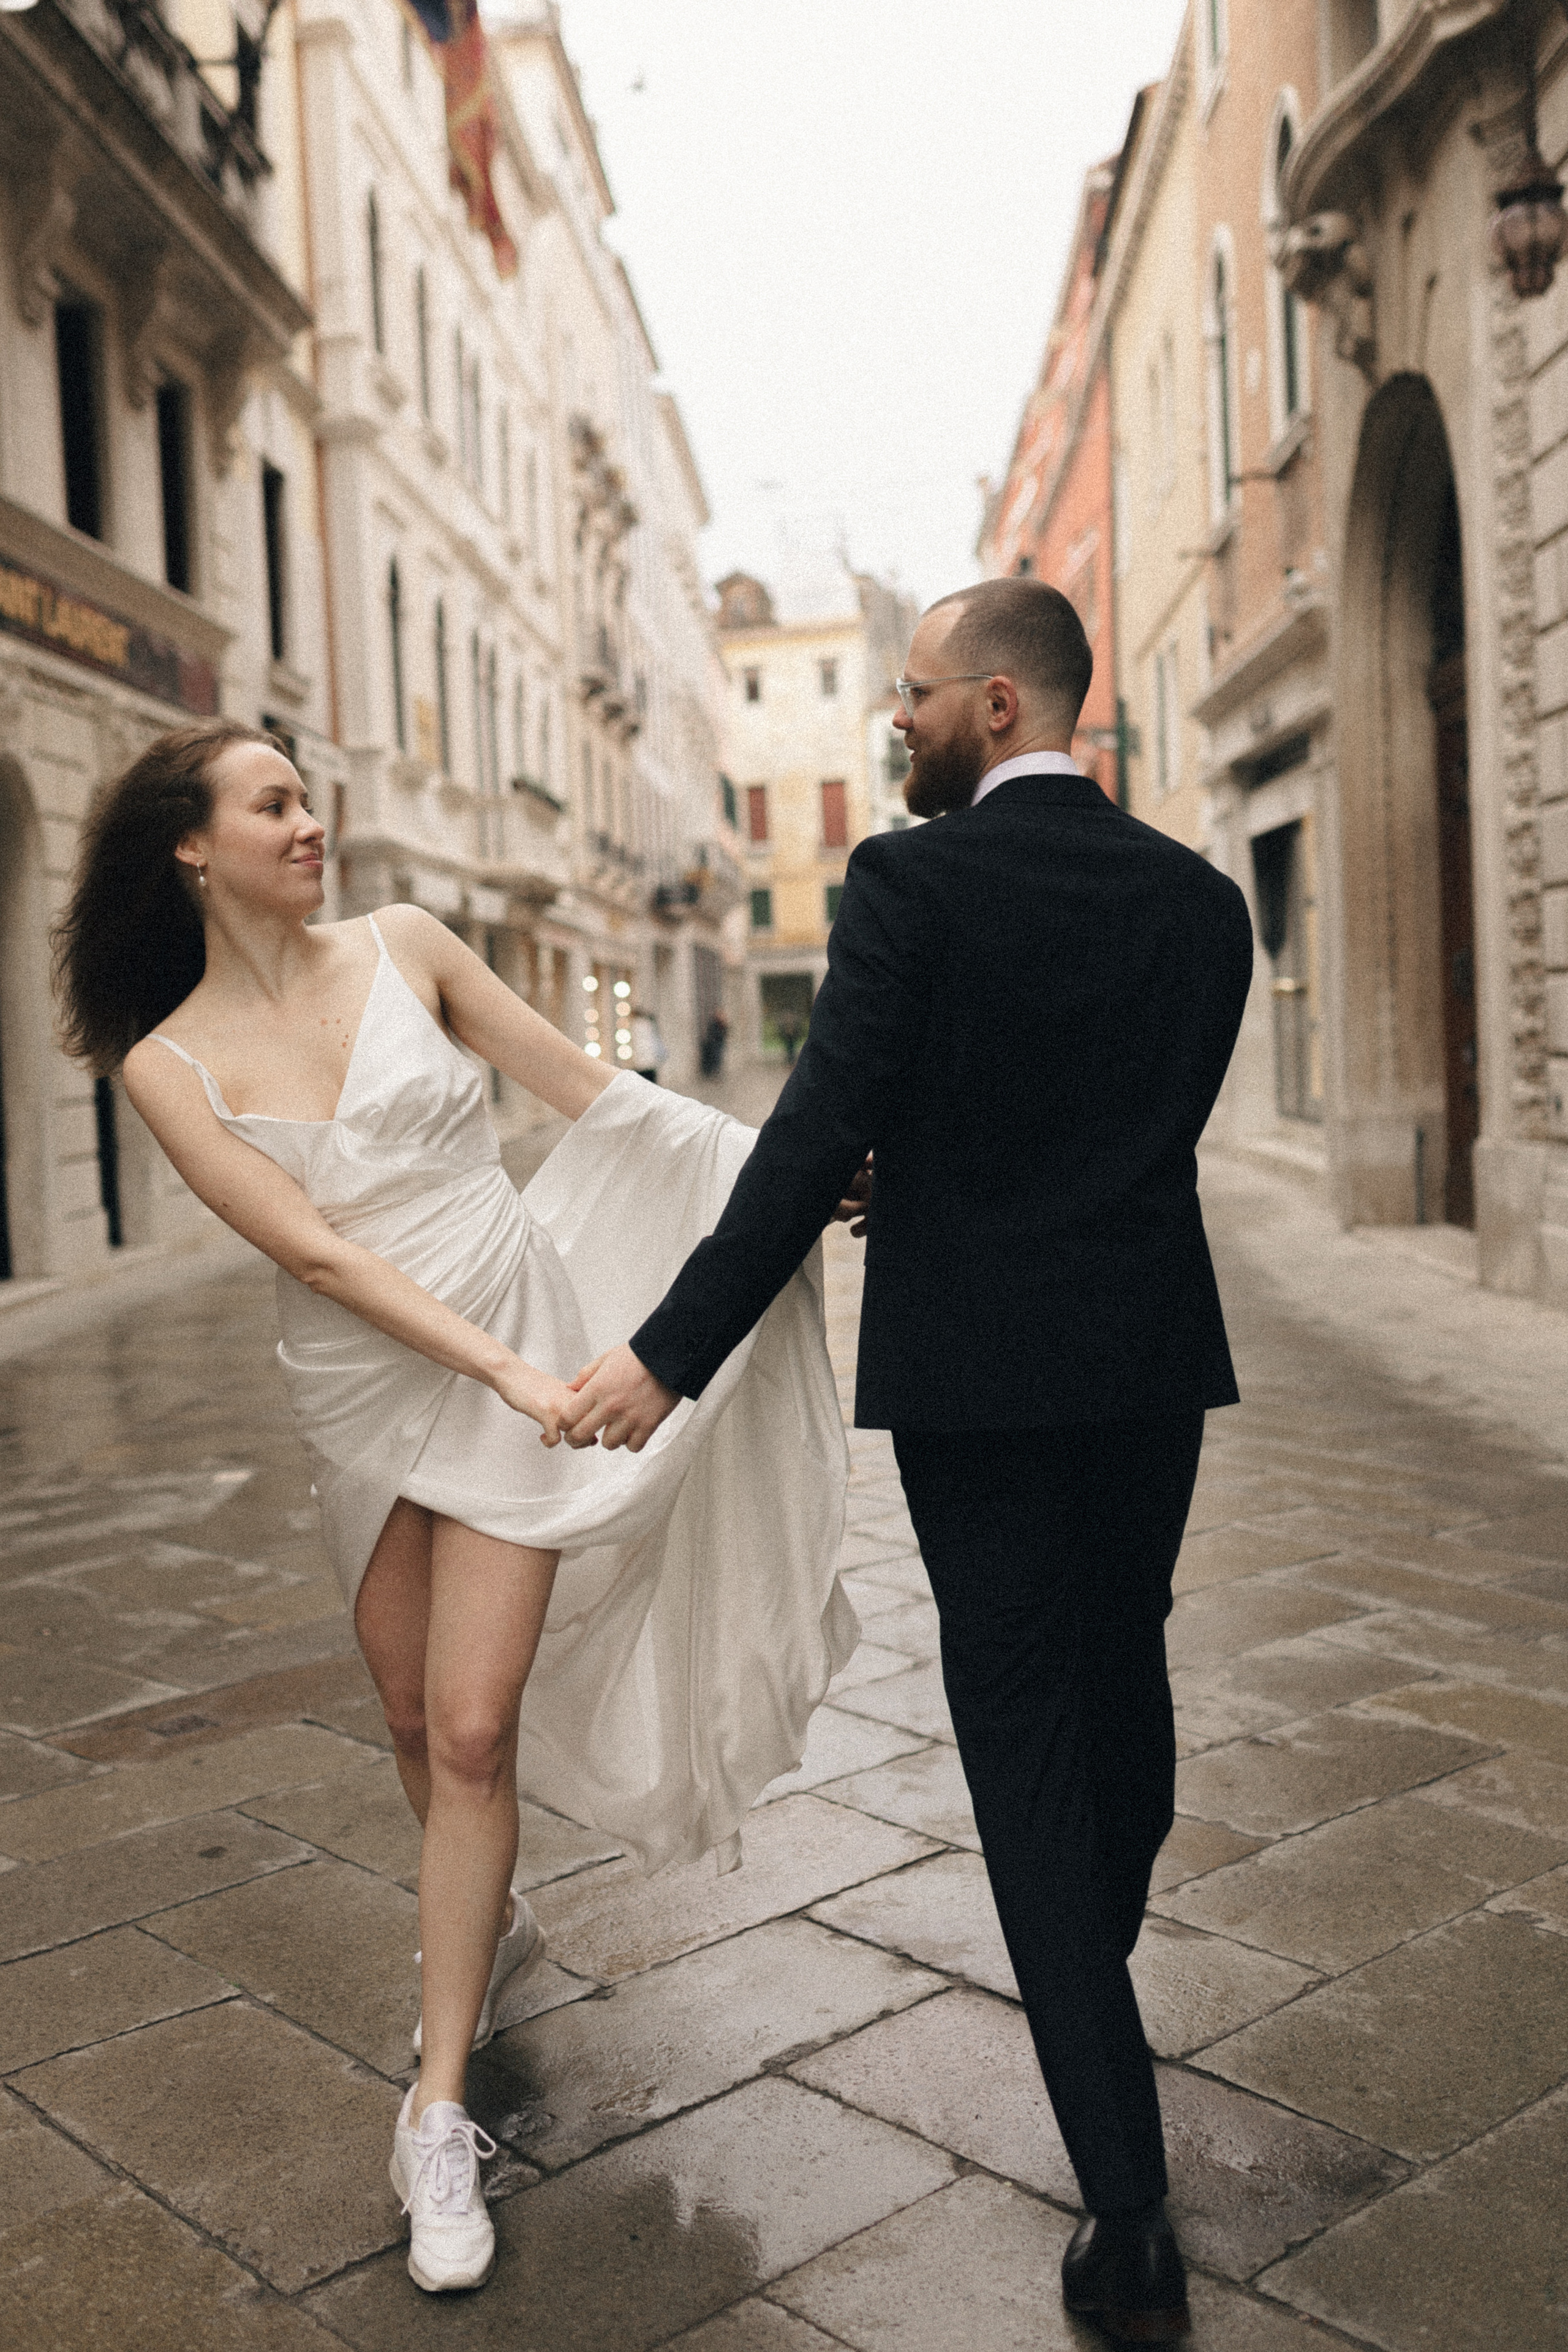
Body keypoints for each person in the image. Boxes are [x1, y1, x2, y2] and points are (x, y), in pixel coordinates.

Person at [51, 721, 854, 2301]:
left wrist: (782, 1173)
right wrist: (488, 1365)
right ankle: (487, 1924)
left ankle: (432, 2110)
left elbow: (589, 1091)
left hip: (515, 1346)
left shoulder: (408, 946)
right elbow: (323, 1257)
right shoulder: (166, 1058)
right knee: (414, 1718)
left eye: (306, 798)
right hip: (366, 1392)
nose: (308, 823)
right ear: (189, 848)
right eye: (270, 803)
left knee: (472, 1726)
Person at [560, 577, 1254, 2346]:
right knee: (1123, 1677)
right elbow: (1113, 1124)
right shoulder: (1201, 904)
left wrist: (665, 1359)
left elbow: (811, 1143)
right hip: (1147, 1363)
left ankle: (1132, 2211)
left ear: (1003, 709)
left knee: (1022, 1739)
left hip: (979, 1383)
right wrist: (932, 1167)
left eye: (918, 696)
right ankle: (1088, 1971)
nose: (897, 722)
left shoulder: (907, 882)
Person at [629, 1004, 666, 1083]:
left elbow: (638, 1045)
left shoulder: (635, 1027)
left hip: (642, 1062)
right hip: (650, 1061)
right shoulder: (648, 1024)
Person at [699, 1008, 729, 1078]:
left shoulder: (722, 1025)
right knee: (714, 1058)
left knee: (719, 1058)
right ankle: (712, 1073)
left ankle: (717, 1072)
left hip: (720, 1044)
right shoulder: (714, 1024)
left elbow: (726, 1032)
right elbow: (713, 1033)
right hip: (715, 1044)